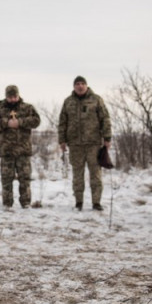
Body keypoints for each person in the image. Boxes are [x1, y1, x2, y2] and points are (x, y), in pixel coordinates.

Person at [58, 76, 112, 211]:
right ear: (74, 86)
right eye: (77, 84)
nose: (80, 86)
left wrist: (107, 138)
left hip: (93, 143)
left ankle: (96, 202)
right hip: (75, 144)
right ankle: (79, 202)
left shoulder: (96, 100)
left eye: (82, 83)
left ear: (86, 85)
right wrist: (62, 140)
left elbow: (105, 119)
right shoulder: (68, 102)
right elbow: (62, 122)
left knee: (95, 175)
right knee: (77, 175)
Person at [0, 85, 41, 208]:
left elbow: (36, 121)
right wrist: (6, 123)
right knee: (6, 179)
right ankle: (7, 204)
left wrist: (20, 122)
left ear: (18, 95)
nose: (13, 99)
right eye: (10, 97)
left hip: (23, 150)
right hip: (7, 151)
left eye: (15, 97)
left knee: (25, 179)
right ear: (6, 96)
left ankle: (26, 203)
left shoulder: (27, 108)